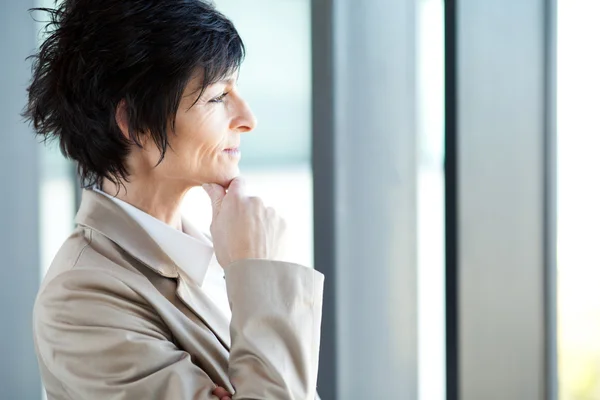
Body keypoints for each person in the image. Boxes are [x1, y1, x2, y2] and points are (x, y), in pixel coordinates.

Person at [23, 1, 324, 399]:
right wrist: (259, 270)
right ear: (136, 124)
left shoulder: (208, 250)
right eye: (218, 96)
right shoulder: (80, 301)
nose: (248, 118)